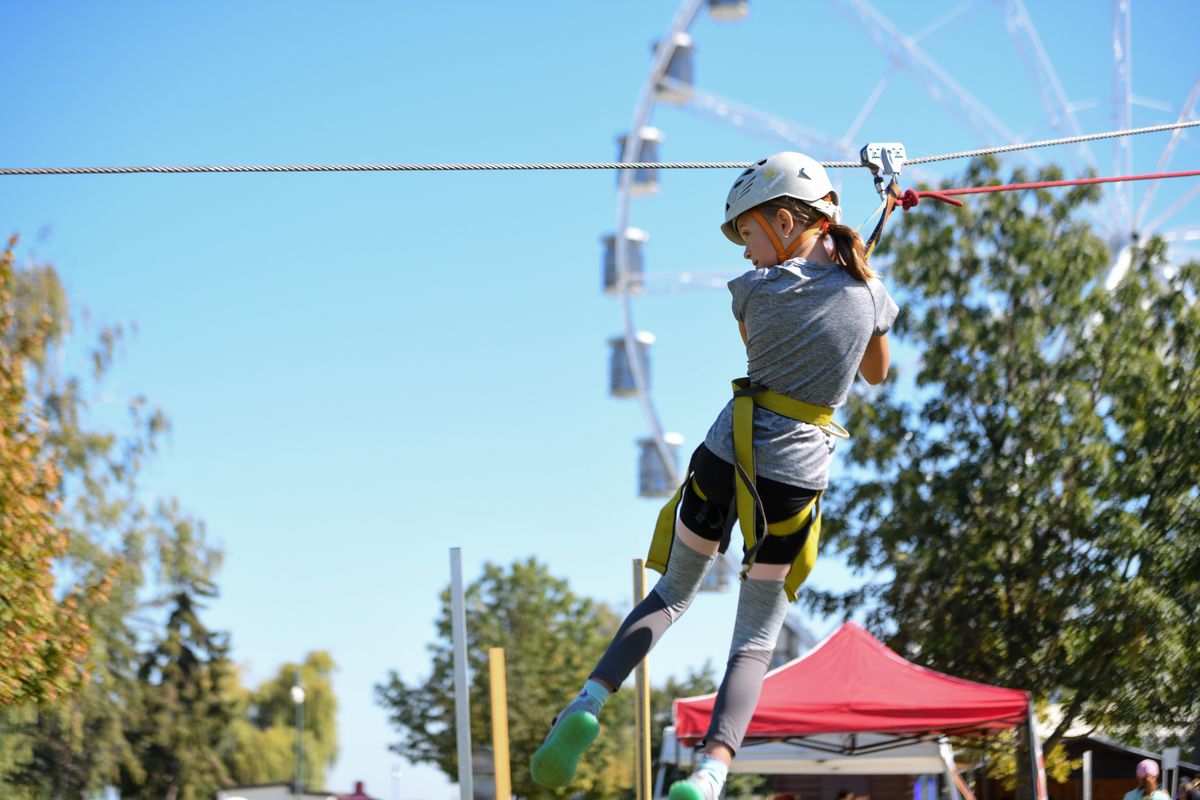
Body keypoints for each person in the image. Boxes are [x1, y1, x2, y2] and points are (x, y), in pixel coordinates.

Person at [529, 152, 898, 800]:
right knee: (755, 636)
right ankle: (711, 769)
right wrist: (870, 283)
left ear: (786, 221)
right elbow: (875, 371)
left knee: (672, 593)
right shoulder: (869, 295)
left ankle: (586, 703)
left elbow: (794, 290)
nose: (748, 255)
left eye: (750, 236)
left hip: (725, 456)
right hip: (792, 481)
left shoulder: (751, 295)